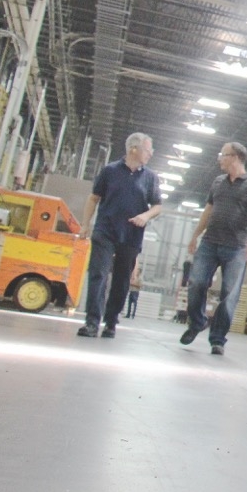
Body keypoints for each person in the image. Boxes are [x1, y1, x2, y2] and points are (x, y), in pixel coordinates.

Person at [179, 141, 247, 356]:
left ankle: (218, 339)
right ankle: (197, 322)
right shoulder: (218, 182)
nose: (220, 158)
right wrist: (195, 235)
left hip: (236, 248)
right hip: (209, 243)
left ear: (235, 158)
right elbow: (208, 211)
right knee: (196, 283)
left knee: (229, 294)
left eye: (223, 154)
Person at [77, 132, 162, 338]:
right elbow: (93, 198)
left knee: (122, 280)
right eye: (147, 149)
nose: (151, 153)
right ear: (134, 149)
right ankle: (92, 322)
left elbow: (158, 206)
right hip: (105, 230)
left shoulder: (150, 178)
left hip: (131, 235)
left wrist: (145, 216)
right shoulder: (110, 171)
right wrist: (85, 225)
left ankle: (111, 322)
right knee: (98, 274)